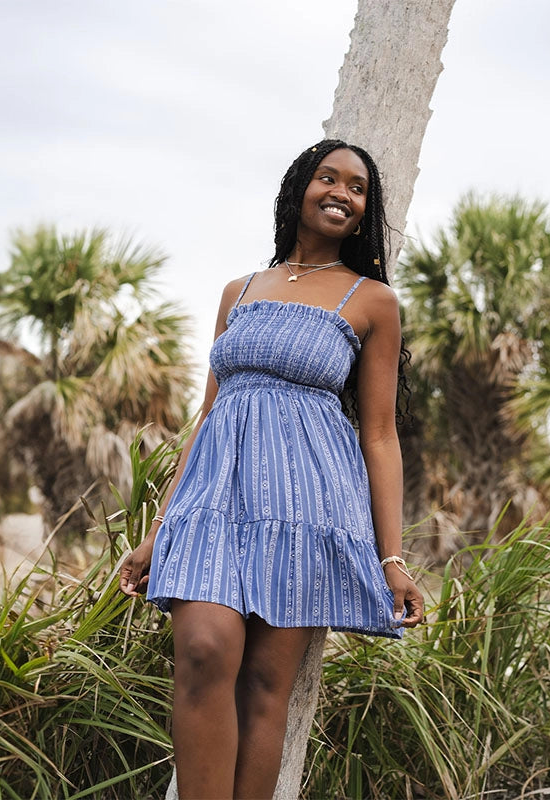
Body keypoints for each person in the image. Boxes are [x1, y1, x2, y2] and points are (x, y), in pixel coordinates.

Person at [119, 139, 424, 799]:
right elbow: (208, 416)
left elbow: (378, 430)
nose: (341, 193)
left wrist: (390, 557)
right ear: (299, 188)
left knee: (263, 687)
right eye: (328, 178)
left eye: (357, 188)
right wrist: (159, 526)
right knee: (204, 650)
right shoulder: (240, 290)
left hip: (307, 505)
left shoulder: (371, 301)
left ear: (367, 209)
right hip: (215, 499)